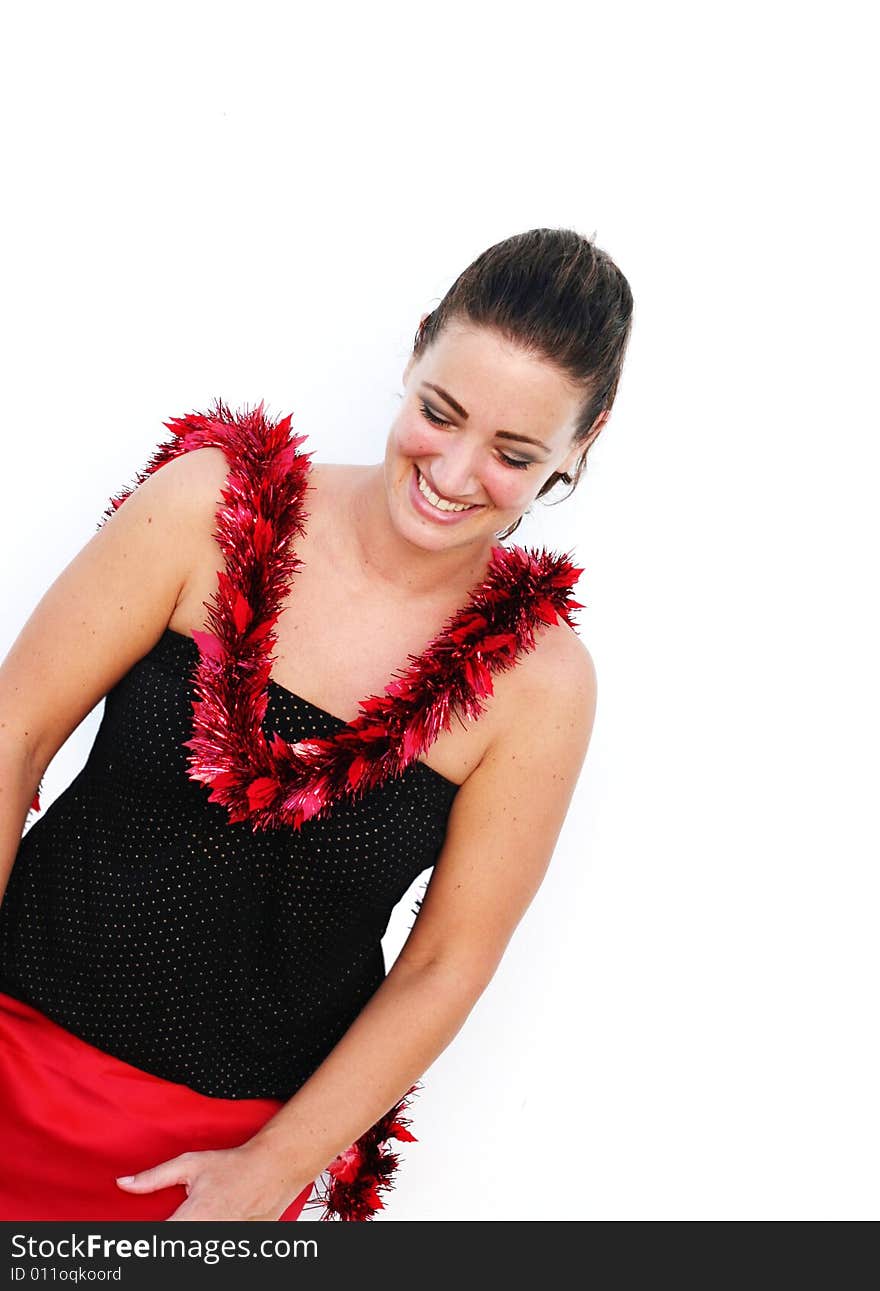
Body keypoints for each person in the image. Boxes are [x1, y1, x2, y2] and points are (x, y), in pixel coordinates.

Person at [0, 227, 633, 1221]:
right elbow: (15, 732)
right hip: (13, 1040)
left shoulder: (538, 687)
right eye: (440, 412)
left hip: (222, 1159)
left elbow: (444, 963)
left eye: (514, 453)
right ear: (416, 349)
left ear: (579, 444)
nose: (457, 472)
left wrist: (268, 1169)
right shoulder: (209, 507)